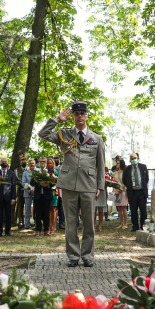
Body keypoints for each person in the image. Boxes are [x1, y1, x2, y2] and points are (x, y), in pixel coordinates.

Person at [38, 101, 106, 267]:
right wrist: (57, 120)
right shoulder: (64, 134)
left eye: (82, 113)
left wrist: (99, 186)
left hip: (89, 185)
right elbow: (43, 134)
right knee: (70, 223)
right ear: (73, 117)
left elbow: (101, 164)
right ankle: (73, 256)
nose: (80, 116)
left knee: (89, 223)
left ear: (87, 116)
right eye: (77, 114)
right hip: (68, 185)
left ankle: (88, 256)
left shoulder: (96, 138)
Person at [123, 153, 149, 232]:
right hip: (132, 192)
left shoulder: (143, 167)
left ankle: (143, 225)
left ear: (138, 158)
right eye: (132, 158)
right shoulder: (126, 169)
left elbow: (146, 178)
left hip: (142, 191)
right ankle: (135, 226)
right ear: (130, 160)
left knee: (143, 210)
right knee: (133, 210)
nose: (134, 159)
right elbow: (124, 180)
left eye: (135, 158)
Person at [0, 157, 17, 237]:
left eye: (5, 162)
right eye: (2, 162)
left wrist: (13, 198)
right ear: (0, 164)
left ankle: (7, 231)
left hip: (8, 198)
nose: (4, 163)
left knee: (8, 215)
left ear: (7, 163)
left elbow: (14, 187)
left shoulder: (12, 173)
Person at [32, 156, 54, 236]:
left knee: (46, 214)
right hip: (38, 195)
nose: (43, 163)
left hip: (47, 195)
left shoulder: (50, 171)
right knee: (38, 214)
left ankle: (46, 229)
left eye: (44, 162)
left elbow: (54, 182)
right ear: (38, 163)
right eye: (41, 162)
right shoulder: (35, 171)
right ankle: (38, 230)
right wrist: (39, 183)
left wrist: (48, 184)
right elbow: (32, 182)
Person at [114, 159, 129, 229]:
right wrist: (115, 191)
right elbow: (113, 182)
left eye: (118, 163)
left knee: (124, 208)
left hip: (123, 191)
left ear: (121, 164)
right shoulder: (115, 173)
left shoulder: (125, 172)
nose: (116, 164)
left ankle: (125, 224)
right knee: (119, 208)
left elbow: (125, 183)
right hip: (116, 192)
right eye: (116, 163)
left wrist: (120, 190)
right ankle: (121, 223)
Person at [22, 159, 35, 229]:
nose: (31, 165)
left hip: (36, 193)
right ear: (28, 164)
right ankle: (27, 224)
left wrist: (34, 190)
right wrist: (30, 191)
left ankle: (36, 223)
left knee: (36, 209)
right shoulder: (25, 173)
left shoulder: (37, 172)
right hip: (27, 193)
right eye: (30, 163)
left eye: (33, 163)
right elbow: (23, 183)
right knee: (27, 210)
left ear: (35, 164)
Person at [47, 157, 60, 234]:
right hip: (47, 192)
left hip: (54, 192)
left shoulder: (57, 172)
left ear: (53, 164)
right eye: (48, 163)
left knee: (53, 209)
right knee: (47, 209)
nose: (49, 164)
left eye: (50, 163)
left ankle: (53, 225)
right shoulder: (45, 172)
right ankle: (48, 226)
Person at [14, 156, 27, 229]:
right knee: (20, 207)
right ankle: (21, 222)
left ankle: (28, 222)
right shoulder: (16, 170)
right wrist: (18, 183)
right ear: (20, 162)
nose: (23, 161)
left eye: (24, 160)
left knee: (28, 207)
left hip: (28, 191)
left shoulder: (28, 170)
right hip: (20, 191)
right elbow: (14, 180)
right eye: (22, 160)